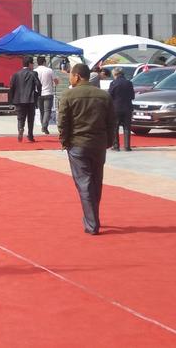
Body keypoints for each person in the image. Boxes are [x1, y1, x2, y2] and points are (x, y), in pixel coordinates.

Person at [59, 64, 114, 234]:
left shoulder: (68, 95)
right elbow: (111, 121)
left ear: (77, 76)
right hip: (98, 144)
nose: (69, 78)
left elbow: (63, 121)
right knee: (96, 182)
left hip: (78, 144)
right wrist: (109, 141)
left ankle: (92, 223)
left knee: (84, 183)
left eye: (71, 75)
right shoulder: (104, 95)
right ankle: (93, 216)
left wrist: (64, 141)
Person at [8, 57, 42, 142]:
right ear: (30, 64)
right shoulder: (33, 73)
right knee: (31, 118)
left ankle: (20, 128)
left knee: (20, 117)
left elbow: (11, 87)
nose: (33, 65)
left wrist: (12, 99)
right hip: (31, 99)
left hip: (19, 99)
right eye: (32, 63)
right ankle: (30, 135)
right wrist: (38, 94)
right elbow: (39, 85)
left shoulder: (16, 74)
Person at [109, 66, 135, 151]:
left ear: (115, 74)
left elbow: (110, 95)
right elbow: (132, 96)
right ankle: (127, 146)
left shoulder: (113, 83)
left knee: (115, 127)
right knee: (127, 127)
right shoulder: (129, 83)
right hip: (127, 107)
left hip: (116, 108)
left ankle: (116, 146)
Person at [34, 56, 58, 133]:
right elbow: (56, 81)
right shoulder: (49, 70)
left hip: (39, 94)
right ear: (44, 62)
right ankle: (44, 126)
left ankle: (43, 126)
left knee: (42, 111)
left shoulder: (35, 71)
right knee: (47, 111)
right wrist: (55, 83)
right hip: (48, 93)